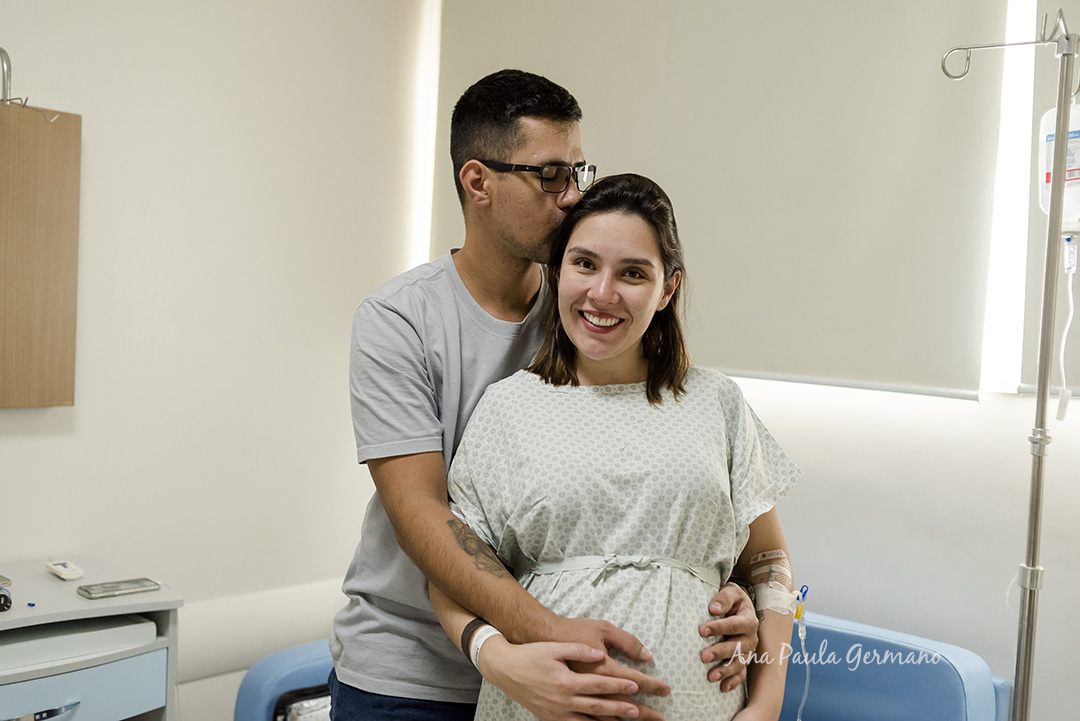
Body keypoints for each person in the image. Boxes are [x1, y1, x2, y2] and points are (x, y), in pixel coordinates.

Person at [330, 70, 760, 721]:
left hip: (564, 675)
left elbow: (670, 478)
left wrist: (736, 595)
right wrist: (529, 634)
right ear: (478, 183)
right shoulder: (401, 320)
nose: (571, 198)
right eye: (550, 175)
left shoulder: (589, 313)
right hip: (415, 671)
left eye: (579, 172)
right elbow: (422, 512)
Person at [430, 173, 802, 721]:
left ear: (668, 288)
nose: (602, 294)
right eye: (584, 264)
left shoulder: (717, 402)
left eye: (632, 273)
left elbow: (770, 565)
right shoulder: (508, 408)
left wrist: (766, 704)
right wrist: (495, 658)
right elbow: (453, 571)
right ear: (558, 273)